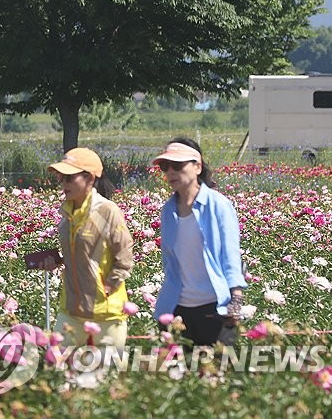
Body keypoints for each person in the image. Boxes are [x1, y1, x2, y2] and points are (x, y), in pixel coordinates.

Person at [151, 138, 246, 347]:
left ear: (197, 166)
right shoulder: (168, 211)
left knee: (215, 373)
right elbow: (170, 263)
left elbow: (230, 256)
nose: (170, 173)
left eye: (177, 165)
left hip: (214, 307)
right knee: (179, 375)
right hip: (177, 307)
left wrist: (236, 301)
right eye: (165, 167)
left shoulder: (218, 205)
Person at [36, 147, 134, 350]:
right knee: (59, 370)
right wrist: (57, 261)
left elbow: (124, 257)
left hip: (106, 314)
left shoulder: (108, 211)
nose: (63, 184)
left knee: (104, 377)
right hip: (70, 311)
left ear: (89, 178)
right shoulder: (66, 214)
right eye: (61, 178)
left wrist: (107, 288)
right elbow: (81, 254)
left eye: (69, 178)